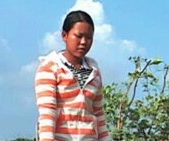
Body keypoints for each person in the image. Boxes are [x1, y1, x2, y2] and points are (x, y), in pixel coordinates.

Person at [35, 10, 112, 141]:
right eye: (78, 36)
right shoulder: (50, 67)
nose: (83, 42)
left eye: (88, 37)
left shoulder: (94, 71)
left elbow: (99, 115)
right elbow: (47, 112)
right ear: (64, 35)